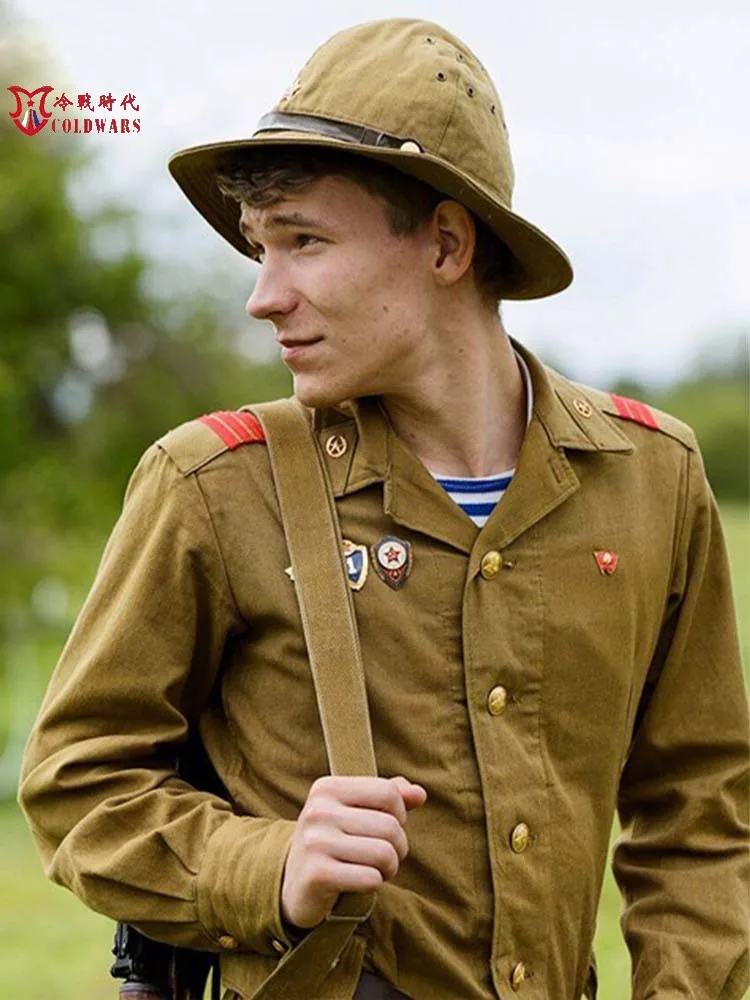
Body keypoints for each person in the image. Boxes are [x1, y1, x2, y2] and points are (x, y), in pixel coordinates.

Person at [19, 17, 749, 1000]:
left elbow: (701, 811)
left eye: (305, 243)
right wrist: (265, 864)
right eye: (260, 248)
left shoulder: (652, 478)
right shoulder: (210, 483)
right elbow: (76, 786)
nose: (263, 296)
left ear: (446, 243)